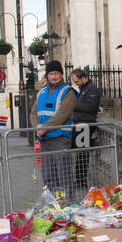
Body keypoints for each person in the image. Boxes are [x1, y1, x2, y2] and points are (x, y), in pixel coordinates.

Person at [33, 61, 76, 196]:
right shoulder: (42, 92)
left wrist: (44, 128)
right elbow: (33, 112)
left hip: (61, 139)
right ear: (47, 75)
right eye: (51, 74)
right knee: (48, 175)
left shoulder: (67, 92)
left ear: (61, 74)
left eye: (56, 73)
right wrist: (36, 127)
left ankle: (69, 202)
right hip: (45, 140)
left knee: (64, 175)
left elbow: (62, 114)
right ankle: (52, 204)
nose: (53, 77)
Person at [71, 67, 101, 197]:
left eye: (76, 81)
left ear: (83, 78)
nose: (76, 84)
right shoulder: (83, 89)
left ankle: (81, 180)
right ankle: (79, 178)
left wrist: (74, 105)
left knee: (83, 154)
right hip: (80, 124)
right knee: (80, 153)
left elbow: (91, 107)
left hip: (86, 125)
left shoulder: (92, 89)